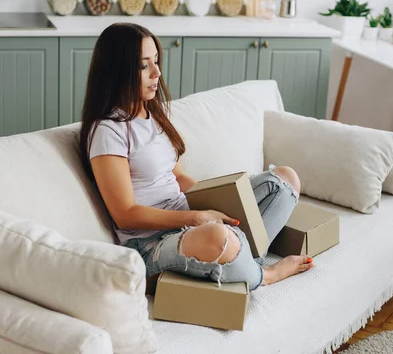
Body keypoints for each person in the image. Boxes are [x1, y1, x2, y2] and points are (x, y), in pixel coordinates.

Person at [79, 23, 313, 291]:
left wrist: (220, 199)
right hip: (149, 244)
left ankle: (237, 255)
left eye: (156, 61)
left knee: (283, 180)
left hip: (186, 217)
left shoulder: (152, 113)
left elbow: (177, 177)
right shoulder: (108, 130)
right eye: (144, 66)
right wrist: (195, 218)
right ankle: (265, 274)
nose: (157, 72)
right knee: (217, 236)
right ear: (117, 70)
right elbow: (125, 214)